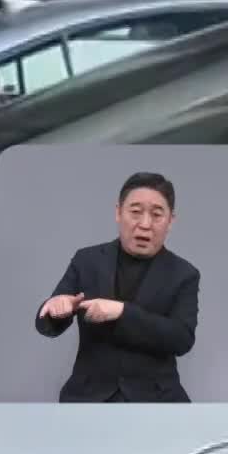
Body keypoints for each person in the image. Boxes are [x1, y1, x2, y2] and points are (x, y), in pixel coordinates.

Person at [35, 171, 200, 402]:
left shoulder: (184, 274)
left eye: (156, 215)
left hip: (157, 398)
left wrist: (122, 312)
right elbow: (46, 322)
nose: (145, 224)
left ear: (171, 221)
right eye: (135, 212)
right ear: (118, 212)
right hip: (88, 396)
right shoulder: (87, 260)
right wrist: (56, 307)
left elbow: (182, 338)